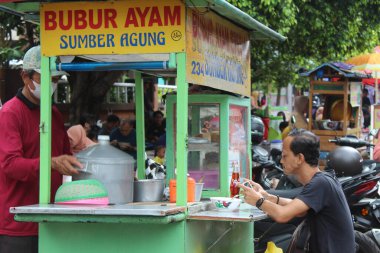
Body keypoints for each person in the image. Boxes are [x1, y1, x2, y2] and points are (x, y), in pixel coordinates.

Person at [0, 46, 82, 253]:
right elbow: (10, 165)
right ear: (25, 77)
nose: (52, 85)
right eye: (45, 78)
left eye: (55, 80)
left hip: (51, 219)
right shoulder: (10, 113)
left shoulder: (53, 113)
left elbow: (66, 156)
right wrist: (51, 162)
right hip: (18, 223)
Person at [238, 129, 355, 253]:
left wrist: (258, 201)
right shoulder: (322, 180)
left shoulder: (321, 183)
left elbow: (282, 215)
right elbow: (299, 211)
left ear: (300, 158)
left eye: (285, 156)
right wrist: (268, 197)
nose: (281, 161)